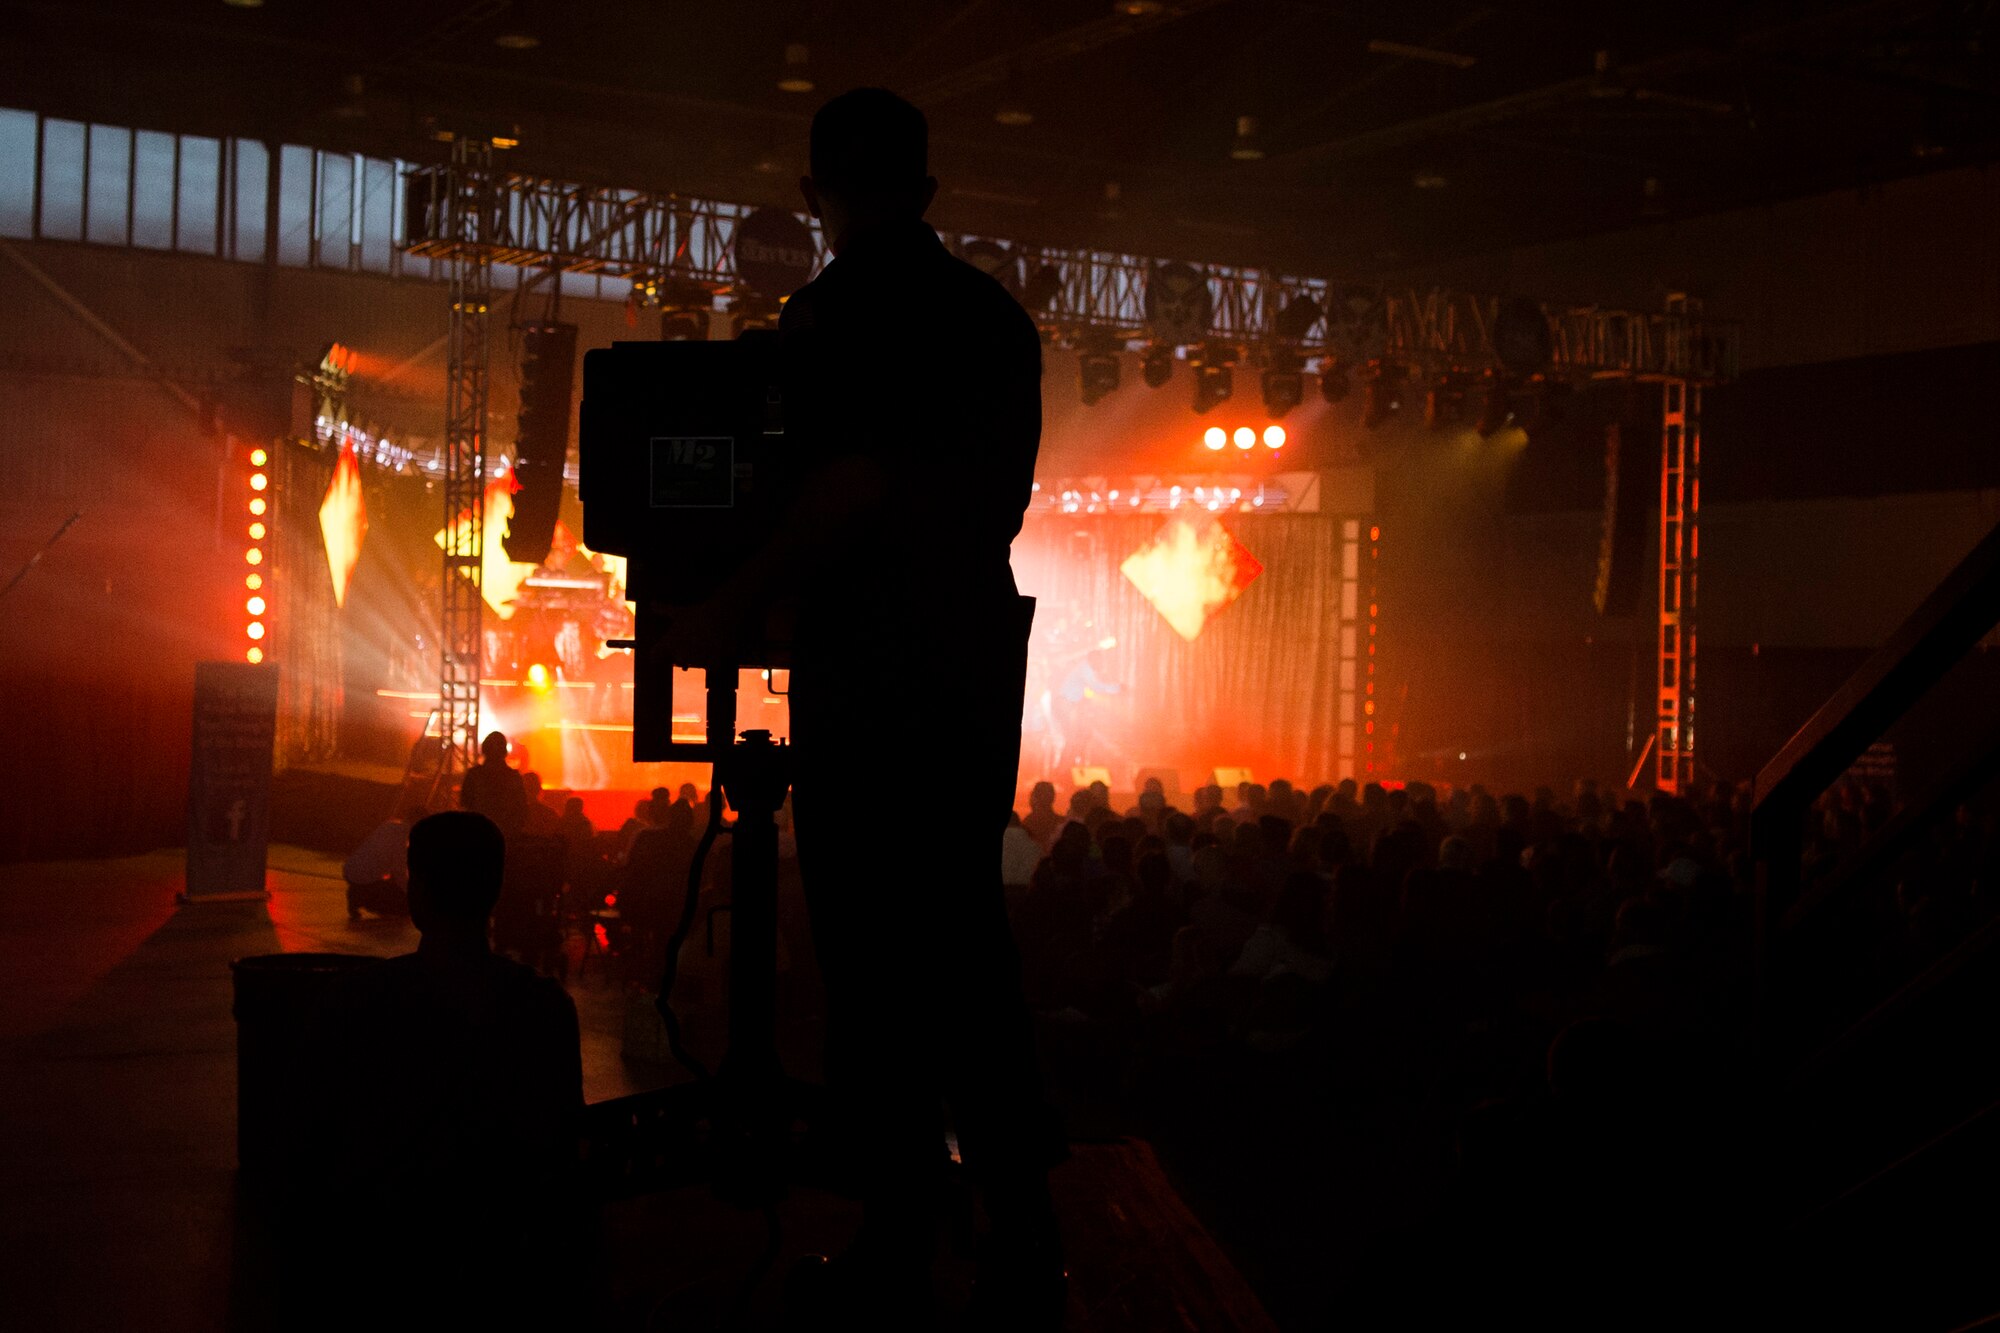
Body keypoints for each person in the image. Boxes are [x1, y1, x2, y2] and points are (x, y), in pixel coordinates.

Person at [688, 88, 1061, 1326]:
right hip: (966, 662)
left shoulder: (831, 318)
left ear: (815, 200)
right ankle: (1022, 1233)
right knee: (965, 947)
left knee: (871, 967)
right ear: (928, 191)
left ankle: (897, 1243)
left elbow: (846, 486)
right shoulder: (995, 322)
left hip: (868, 666)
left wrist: (735, 600)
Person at [325, 811, 584, 1320]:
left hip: (390, 1264)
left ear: (415, 890)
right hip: (508, 1266)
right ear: (496, 887)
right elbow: (560, 1148)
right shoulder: (544, 1006)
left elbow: (328, 1148)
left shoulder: (362, 1001)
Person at [341, 803, 422, 919]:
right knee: (404, 907)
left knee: (393, 886)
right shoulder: (403, 836)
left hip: (351, 869)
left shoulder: (389, 825)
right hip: (366, 878)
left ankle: (359, 893)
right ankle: (360, 895)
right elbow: (399, 871)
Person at [459, 730, 527, 837]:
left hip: (478, 834)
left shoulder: (474, 775)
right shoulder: (514, 777)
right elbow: (521, 810)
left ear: (484, 750)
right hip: (507, 835)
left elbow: (465, 804)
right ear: (504, 751)